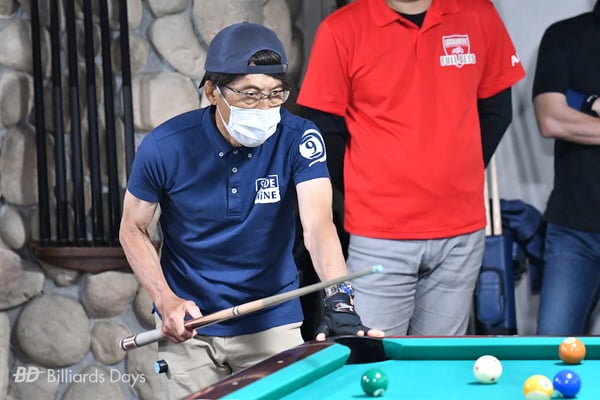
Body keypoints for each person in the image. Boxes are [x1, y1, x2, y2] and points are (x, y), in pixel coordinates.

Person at [119, 22, 384, 398]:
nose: (265, 108)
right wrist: (165, 299)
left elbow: (318, 224)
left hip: (273, 321)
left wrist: (339, 298)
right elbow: (132, 228)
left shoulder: (299, 137)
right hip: (192, 324)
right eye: (250, 95)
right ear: (212, 91)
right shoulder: (164, 146)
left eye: (275, 94)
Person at [297, 0, 525, 336]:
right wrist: (365, 188)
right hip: (379, 234)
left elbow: (497, 112)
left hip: (461, 233)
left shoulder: (479, 14)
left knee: (438, 361)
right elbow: (323, 130)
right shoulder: (341, 28)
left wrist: (455, 174)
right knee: (372, 354)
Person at [532, 1, 600, 335]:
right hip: (574, 230)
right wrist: (588, 102)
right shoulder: (565, 35)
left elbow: (565, 111)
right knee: (551, 347)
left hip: (573, 231)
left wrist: (581, 102)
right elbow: (551, 119)